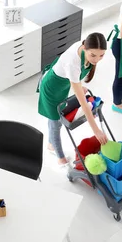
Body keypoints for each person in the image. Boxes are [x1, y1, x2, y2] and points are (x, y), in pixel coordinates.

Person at [38, 33, 109, 165]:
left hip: (64, 86)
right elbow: (83, 102)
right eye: (93, 55)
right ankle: (60, 158)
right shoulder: (73, 62)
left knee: (56, 120)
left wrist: (77, 85)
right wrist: (96, 130)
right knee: (55, 122)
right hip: (51, 88)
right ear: (84, 47)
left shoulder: (85, 51)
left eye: (101, 55)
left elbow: (76, 74)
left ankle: (51, 143)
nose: (97, 59)